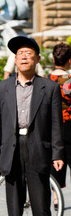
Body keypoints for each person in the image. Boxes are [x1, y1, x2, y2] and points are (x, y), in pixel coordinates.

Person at [0, 36, 64, 216]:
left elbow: (56, 123)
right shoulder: (1, 89)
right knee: (14, 204)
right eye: (20, 53)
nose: (23, 56)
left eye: (28, 53)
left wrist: (58, 153)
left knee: (41, 204)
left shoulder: (49, 88)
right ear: (15, 59)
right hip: (11, 151)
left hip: (37, 149)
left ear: (37, 59)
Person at [48, 42, 71, 205]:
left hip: (51, 125)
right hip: (69, 124)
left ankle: (56, 196)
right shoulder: (69, 81)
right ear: (69, 60)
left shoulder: (46, 80)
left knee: (55, 159)